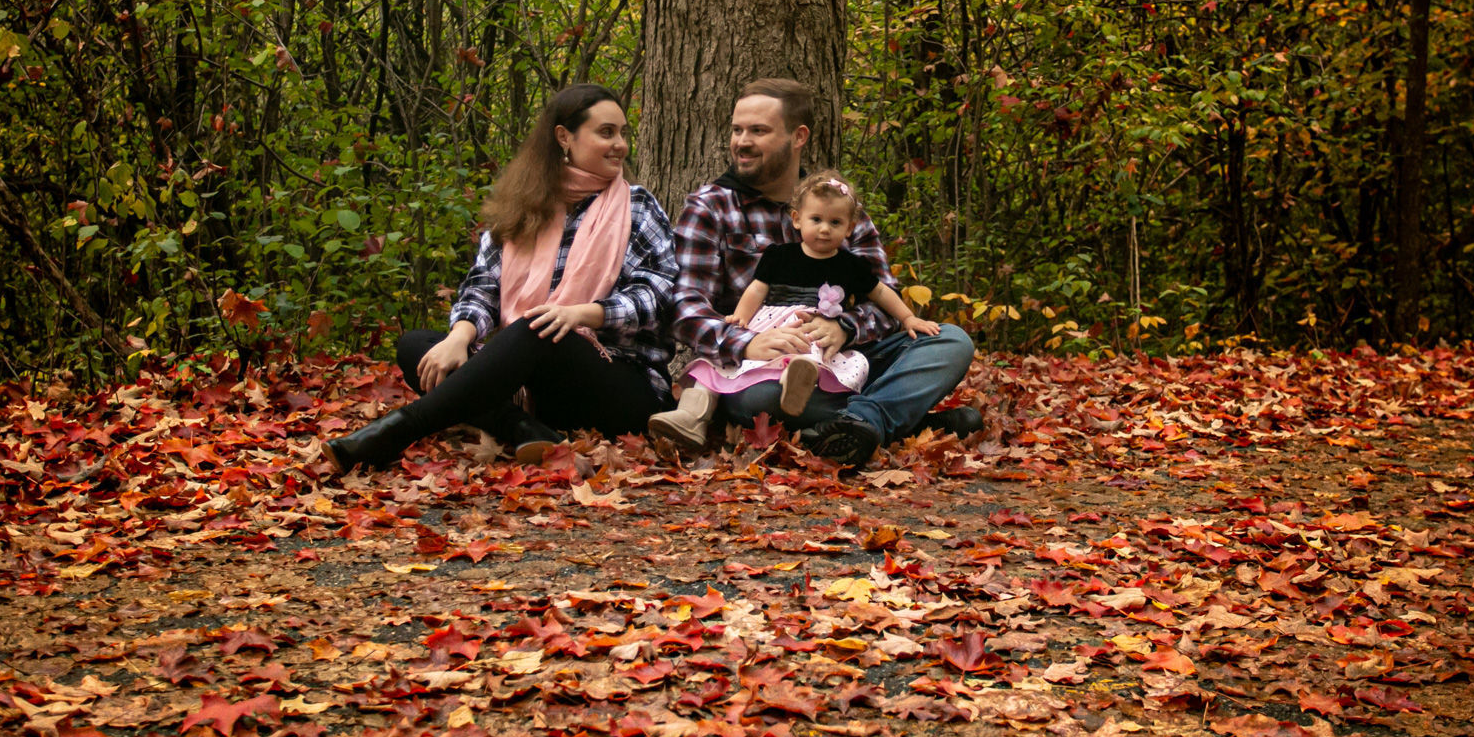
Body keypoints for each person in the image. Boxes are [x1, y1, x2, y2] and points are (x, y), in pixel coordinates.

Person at [322, 84, 676, 473]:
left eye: (623, 133)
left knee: (537, 327)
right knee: (417, 347)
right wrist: (460, 336)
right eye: (606, 132)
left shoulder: (637, 205)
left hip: (619, 383)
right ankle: (524, 427)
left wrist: (582, 314)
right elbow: (482, 286)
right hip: (530, 377)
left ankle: (400, 429)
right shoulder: (525, 203)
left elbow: (656, 294)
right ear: (564, 138)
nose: (620, 144)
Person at [649, 78, 981, 468]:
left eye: (758, 130)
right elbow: (685, 308)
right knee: (761, 401)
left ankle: (863, 421)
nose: (741, 141)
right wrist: (745, 342)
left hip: (847, 358)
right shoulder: (712, 207)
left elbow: (884, 297)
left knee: (952, 342)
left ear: (798, 136)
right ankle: (898, 421)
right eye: (737, 130)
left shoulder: (838, 208)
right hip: (761, 369)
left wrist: (846, 328)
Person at [686, 170, 943, 418]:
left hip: (814, 331)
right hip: (769, 327)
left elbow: (881, 293)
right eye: (816, 220)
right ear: (797, 219)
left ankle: (797, 382)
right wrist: (740, 318)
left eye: (835, 223)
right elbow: (756, 289)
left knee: (808, 352)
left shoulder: (850, 265)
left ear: (850, 228)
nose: (824, 229)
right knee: (723, 366)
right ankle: (692, 414)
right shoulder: (779, 255)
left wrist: (908, 318)